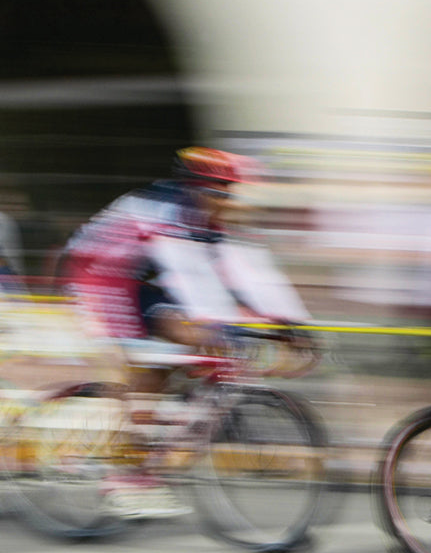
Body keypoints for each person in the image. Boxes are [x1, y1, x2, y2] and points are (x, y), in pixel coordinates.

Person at [61, 146, 313, 517]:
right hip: (100, 276)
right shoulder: (167, 212)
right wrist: (221, 327)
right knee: (148, 365)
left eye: (230, 192)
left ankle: (152, 437)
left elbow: (252, 272)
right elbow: (192, 280)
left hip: (144, 282)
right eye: (219, 191)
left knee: (188, 352)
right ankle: (125, 475)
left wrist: (291, 323)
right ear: (196, 189)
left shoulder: (212, 222)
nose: (226, 200)